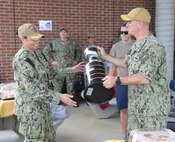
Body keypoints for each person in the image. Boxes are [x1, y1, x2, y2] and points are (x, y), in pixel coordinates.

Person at [98, 7, 171, 135]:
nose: (127, 25)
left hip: (151, 110)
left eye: (130, 21)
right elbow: (127, 63)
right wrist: (106, 57)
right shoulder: (137, 45)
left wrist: (117, 80)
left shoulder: (153, 46)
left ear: (140, 23)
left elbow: (143, 78)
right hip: (137, 106)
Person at [12, 23, 77, 142]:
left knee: (49, 136)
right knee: (36, 139)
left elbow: (51, 73)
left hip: (44, 105)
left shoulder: (38, 54)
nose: (37, 42)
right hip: (30, 109)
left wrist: (71, 70)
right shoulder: (21, 59)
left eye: (38, 38)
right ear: (23, 38)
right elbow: (33, 89)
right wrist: (59, 96)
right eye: (33, 39)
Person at [109, 22, 135, 140]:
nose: (123, 35)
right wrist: (110, 78)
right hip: (122, 82)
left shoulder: (137, 45)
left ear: (130, 32)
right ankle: (124, 135)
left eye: (126, 32)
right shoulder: (116, 47)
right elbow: (113, 65)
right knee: (123, 109)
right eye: (121, 32)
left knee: (136, 109)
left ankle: (135, 133)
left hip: (136, 82)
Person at [44, 27, 83, 103]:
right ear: (59, 34)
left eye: (65, 32)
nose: (63, 34)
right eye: (61, 32)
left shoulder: (73, 43)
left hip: (71, 67)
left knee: (70, 85)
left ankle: (71, 100)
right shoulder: (54, 42)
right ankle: (57, 101)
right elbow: (45, 51)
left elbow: (79, 51)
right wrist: (51, 61)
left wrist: (76, 60)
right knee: (57, 85)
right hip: (59, 68)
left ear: (67, 34)